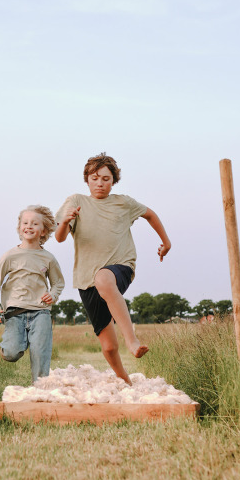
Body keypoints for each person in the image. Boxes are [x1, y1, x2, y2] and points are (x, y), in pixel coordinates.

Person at [55, 153, 171, 385]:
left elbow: (150, 215)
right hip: (85, 279)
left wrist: (166, 242)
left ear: (114, 181)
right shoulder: (75, 201)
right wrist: (66, 222)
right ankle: (125, 383)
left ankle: (132, 340)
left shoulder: (123, 203)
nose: (100, 183)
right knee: (108, 346)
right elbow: (59, 238)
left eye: (106, 179)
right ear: (87, 179)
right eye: (95, 178)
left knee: (104, 280)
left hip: (120, 266)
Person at [0, 205, 64, 383]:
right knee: (11, 353)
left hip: (41, 312)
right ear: (19, 228)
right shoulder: (9, 256)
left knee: (40, 354)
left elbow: (58, 283)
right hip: (15, 312)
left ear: (43, 230)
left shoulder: (48, 258)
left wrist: (52, 295)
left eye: (34, 223)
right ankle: (15, 343)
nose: (29, 226)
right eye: (25, 223)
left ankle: (40, 391)